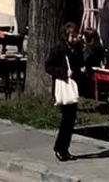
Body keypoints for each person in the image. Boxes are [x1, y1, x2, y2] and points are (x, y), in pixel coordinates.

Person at [45, 20, 91, 162]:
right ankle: (60, 147)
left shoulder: (77, 48)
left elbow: (80, 63)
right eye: (71, 35)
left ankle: (65, 148)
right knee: (66, 119)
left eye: (75, 35)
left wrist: (81, 70)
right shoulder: (59, 49)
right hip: (64, 85)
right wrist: (64, 73)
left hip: (73, 86)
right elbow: (48, 66)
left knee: (71, 120)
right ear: (66, 36)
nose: (74, 38)